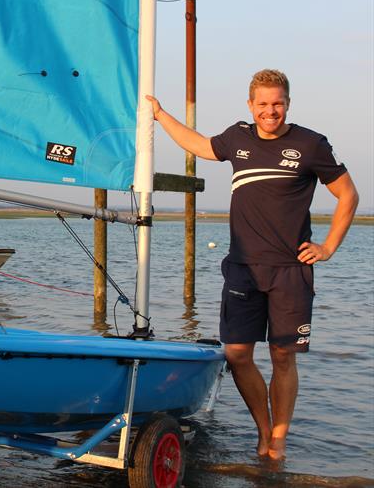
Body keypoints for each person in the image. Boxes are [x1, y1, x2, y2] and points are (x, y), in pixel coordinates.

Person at [147, 69, 358, 461]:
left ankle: (277, 440)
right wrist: (160, 114)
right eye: (263, 104)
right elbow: (200, 145)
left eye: (277, 103)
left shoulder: (311, 145)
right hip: (242, 267)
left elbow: (347, 195)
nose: (270, 111)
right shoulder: (238, 137)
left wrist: (328, 246)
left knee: (282, 356)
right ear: (251, 105)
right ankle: (263, 429)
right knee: (238, 354)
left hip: (290, 271)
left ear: (288, 103)